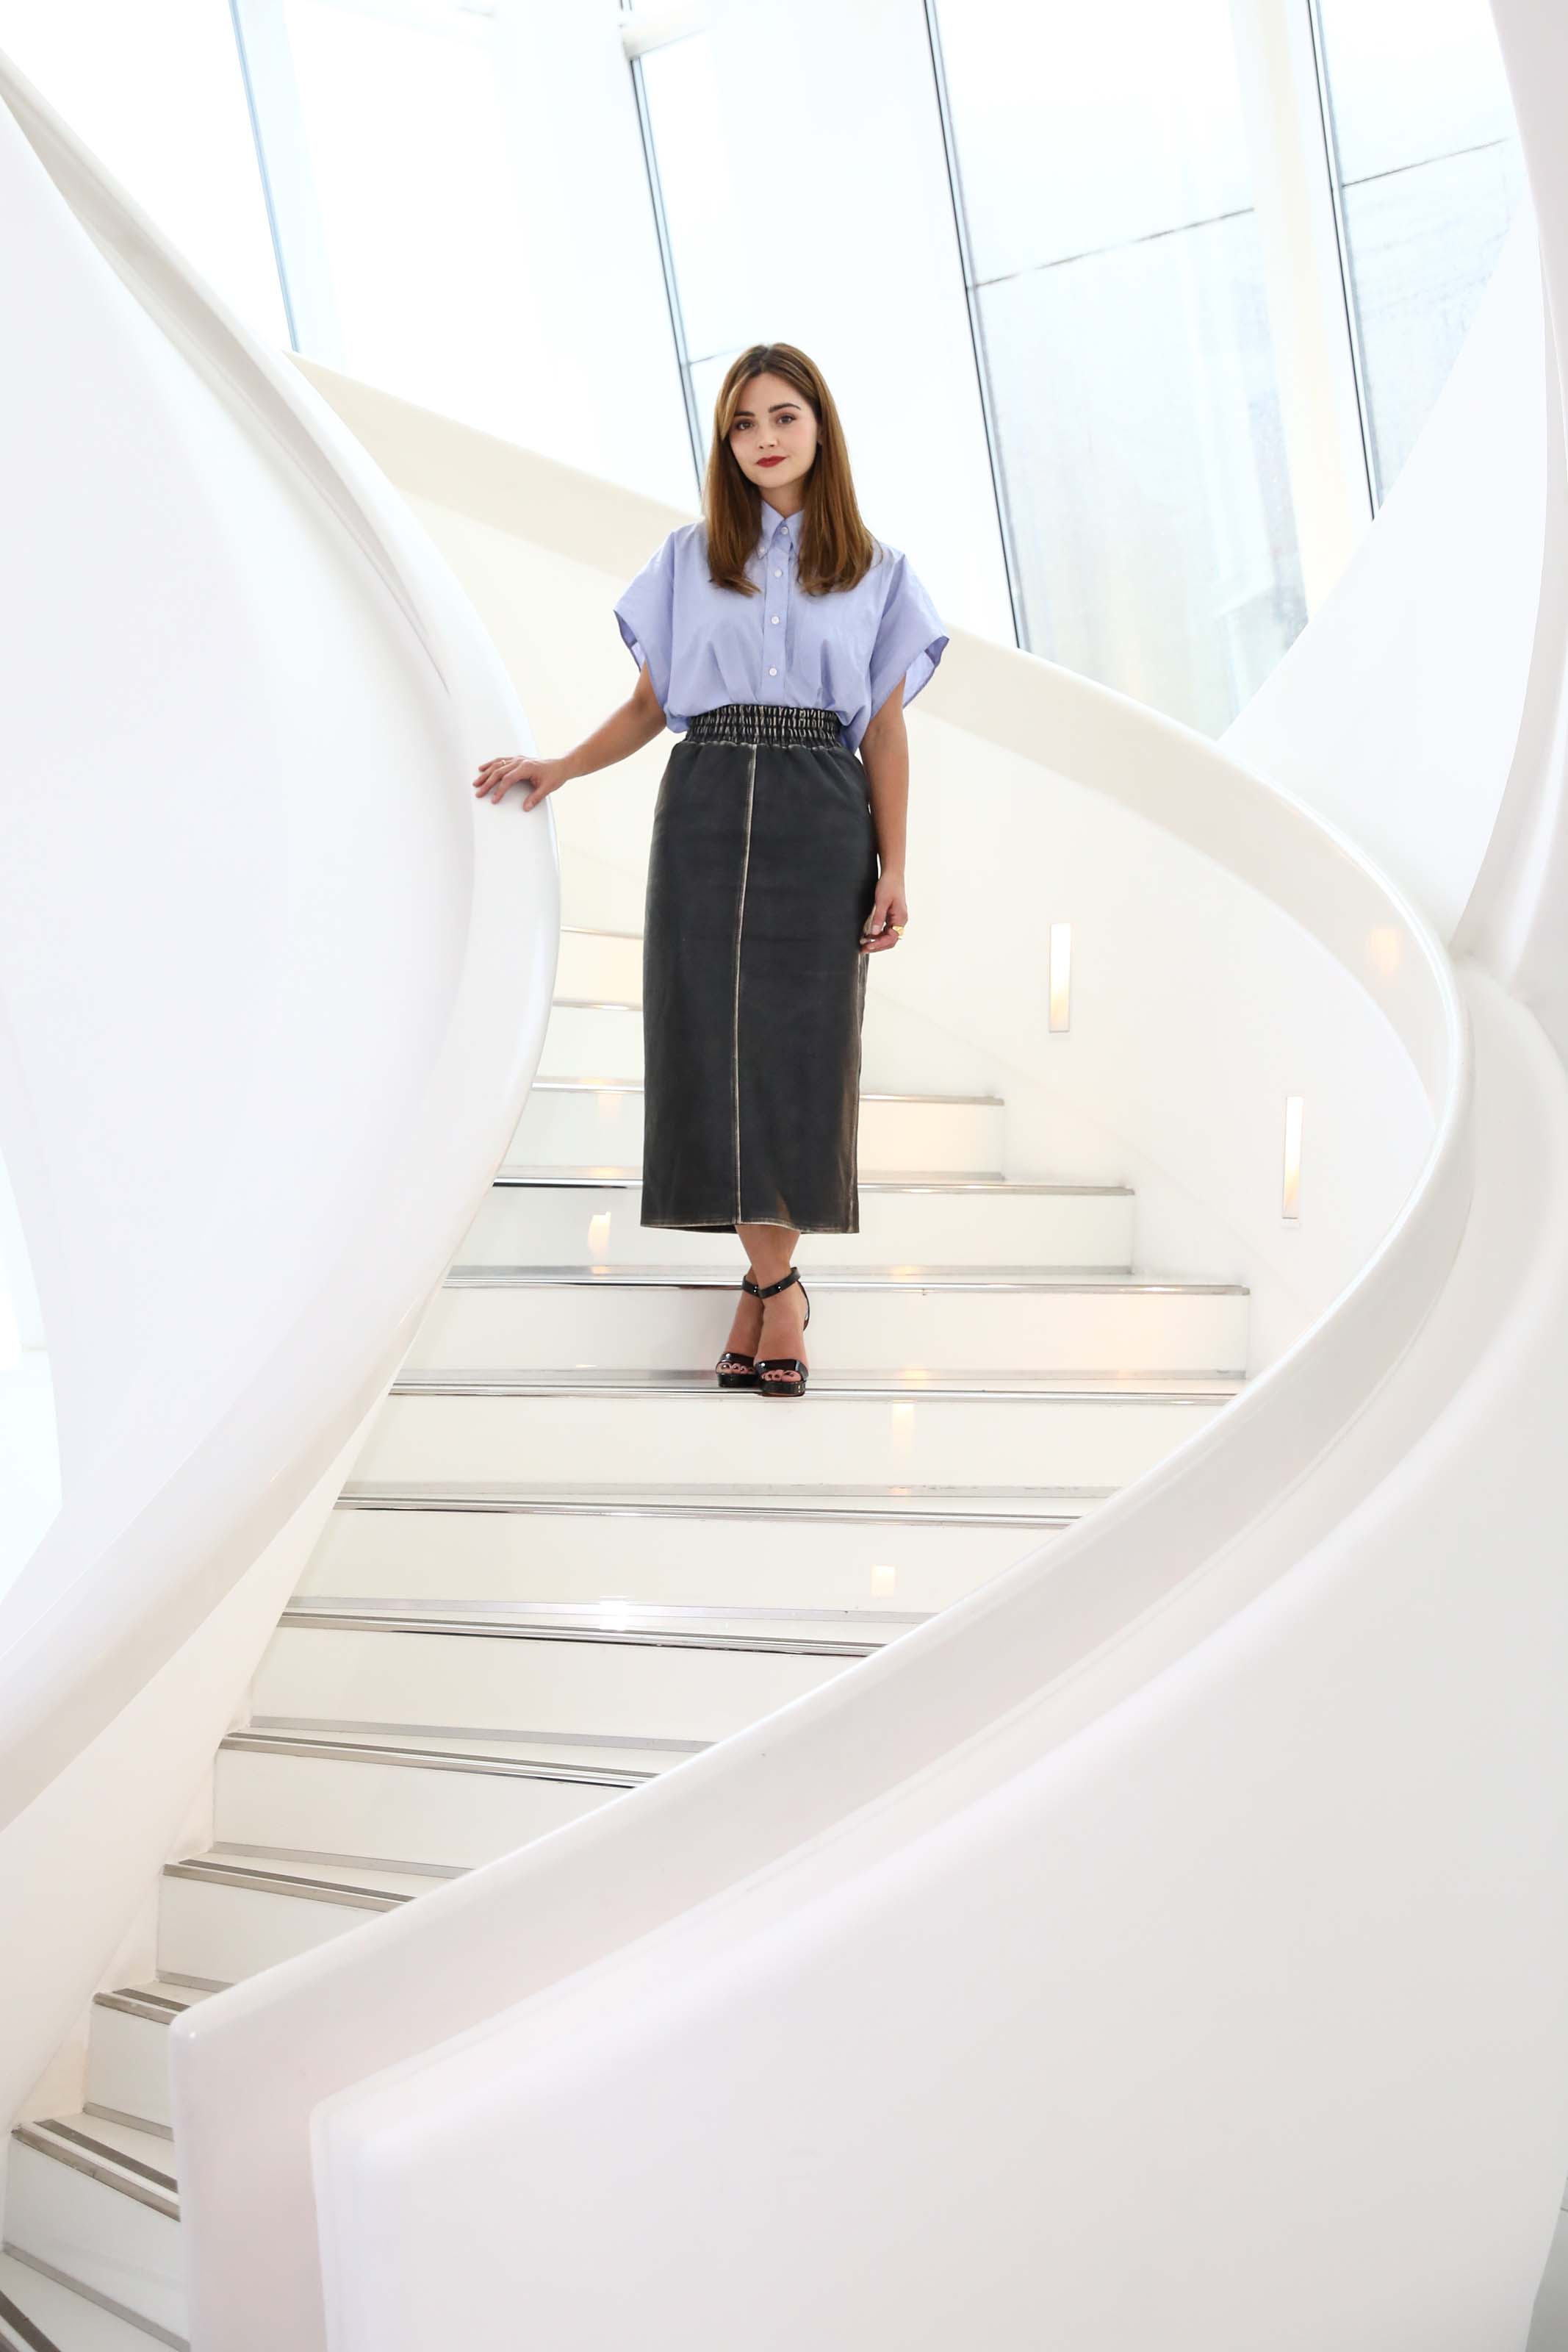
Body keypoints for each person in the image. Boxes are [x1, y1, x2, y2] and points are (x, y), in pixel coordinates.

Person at [472, 341, 949, 1399]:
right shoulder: (688, 557)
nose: (763, 439)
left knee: (799, 1056)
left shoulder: (879, 571)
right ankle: (776, 1293)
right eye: (742, 425)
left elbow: (883, 731)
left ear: (819, 427)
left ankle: (769, 1294)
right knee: (707, 1046)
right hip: (704, 797)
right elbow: (650, 705)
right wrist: (558, 765)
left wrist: (895, 866)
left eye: (782, 417)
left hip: (822, 813)